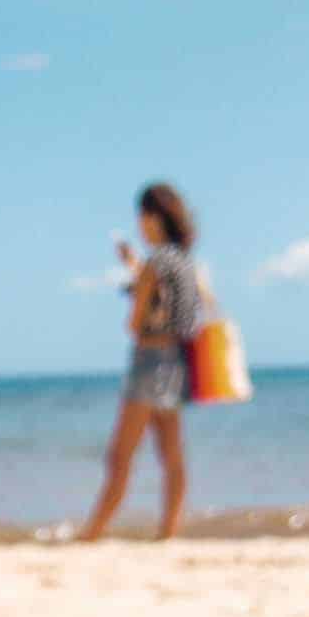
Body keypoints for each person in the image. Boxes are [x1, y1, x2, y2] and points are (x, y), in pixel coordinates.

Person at [81, 183, 202, 542]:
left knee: (119, 456)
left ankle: (93, 532)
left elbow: (135, 324)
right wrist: (134, 266)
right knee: (171, 456)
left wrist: (137, 279)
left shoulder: (154, 263)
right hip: (176, 363)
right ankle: (169, 530)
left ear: (152, 218)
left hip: (149, 362)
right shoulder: (182, 261)